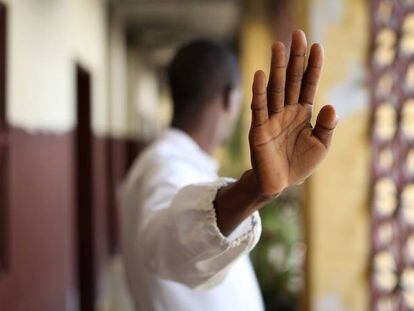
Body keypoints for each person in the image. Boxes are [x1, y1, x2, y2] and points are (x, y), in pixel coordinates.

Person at [121, 30, 337, 311]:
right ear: (229, 99)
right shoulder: (167, 165)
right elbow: (165, 244)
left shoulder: (166, 161)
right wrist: (254, 188)